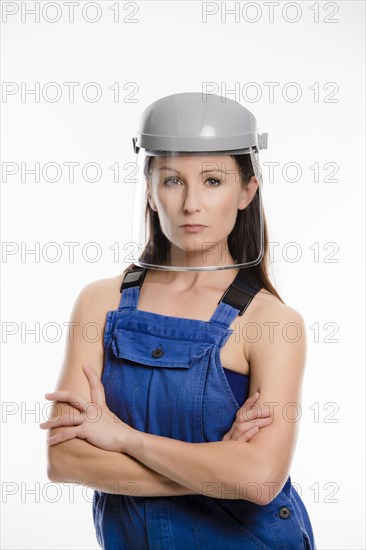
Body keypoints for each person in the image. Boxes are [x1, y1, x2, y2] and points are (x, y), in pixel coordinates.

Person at [40, 92, 316, 549]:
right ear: (148, 189)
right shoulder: (99, 302)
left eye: (212, 180)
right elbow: (65, 461)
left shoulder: (272, 322)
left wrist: (124, 439)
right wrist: (218, 468)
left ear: (247, 190)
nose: (191, 204)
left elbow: (261, 482)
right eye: (172, 180)